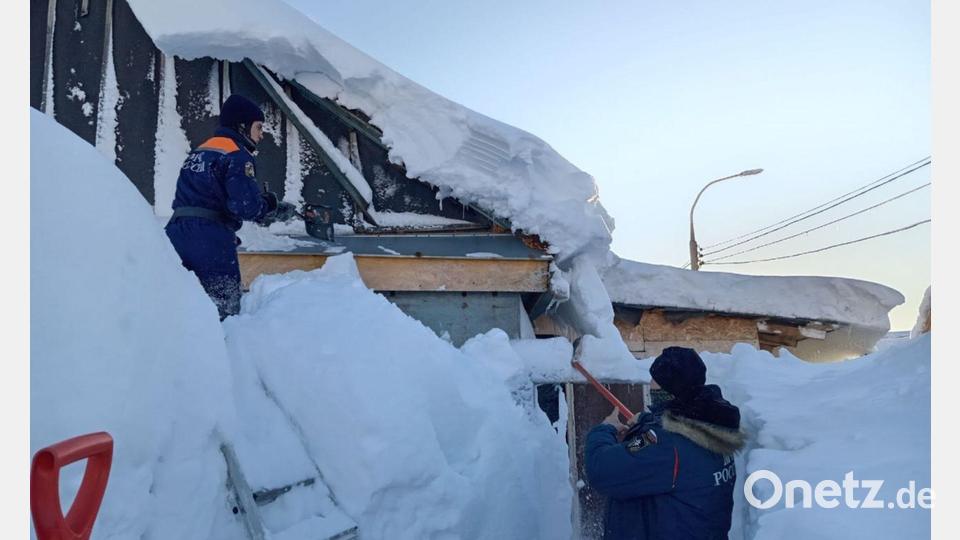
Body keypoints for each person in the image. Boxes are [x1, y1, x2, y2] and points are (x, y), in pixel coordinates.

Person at [585, 346, 746, 540]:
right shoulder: (713, 427)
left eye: (655, 385)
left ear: (669, 392)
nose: (651, 386)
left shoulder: (662, 444)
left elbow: (602, 469)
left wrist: (605, 429)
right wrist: (647, 422)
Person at [165, 94, 296, 320]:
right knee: (223, 308)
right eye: (258, 127)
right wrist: (271, 206)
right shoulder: (237, 155)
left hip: (175, 234)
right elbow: (246, 206)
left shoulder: (201, 151)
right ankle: (219, 352)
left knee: (178, 306)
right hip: (209, 240)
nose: (261, 134)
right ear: (243, 126)